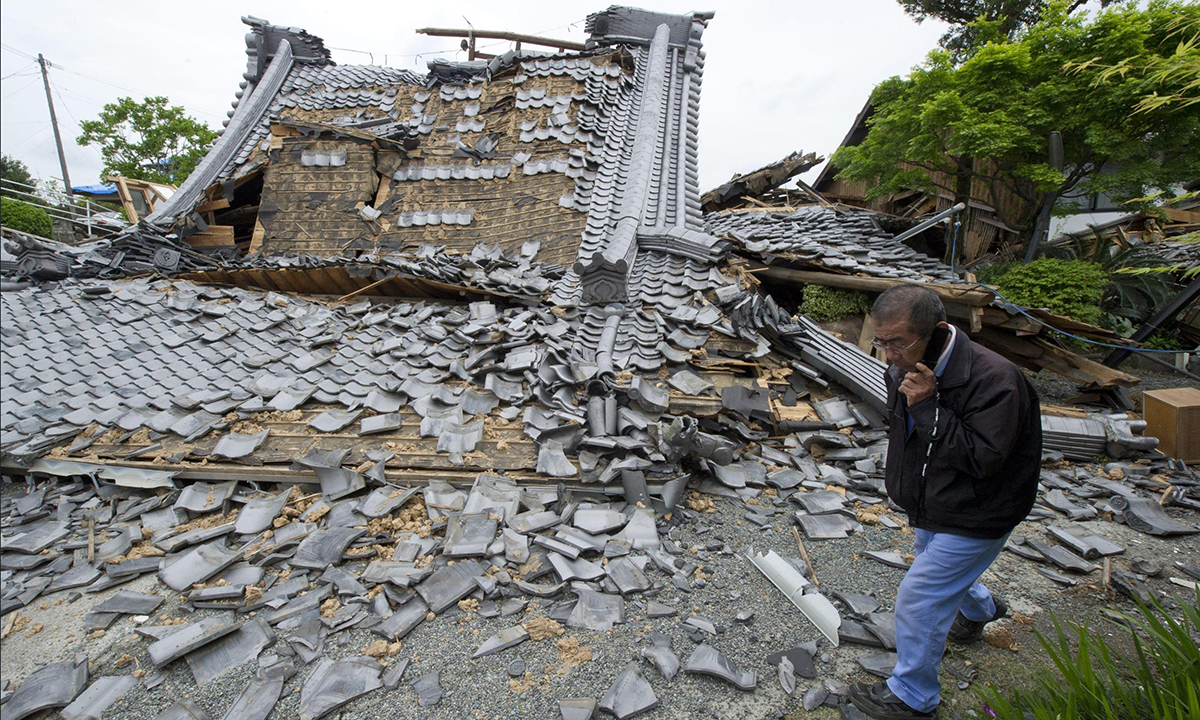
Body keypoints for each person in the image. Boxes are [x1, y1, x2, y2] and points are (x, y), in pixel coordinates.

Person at [848, 285, 1042, 720]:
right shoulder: (904, 368)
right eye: (881, 342)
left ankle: (913, 698)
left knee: (920, 594)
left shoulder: (996, 379)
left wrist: (928, 406)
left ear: (936, 331)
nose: (889, 354)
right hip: (934, 502)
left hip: (981, 508)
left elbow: (983, 459)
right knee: (933, 563)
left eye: (898, 343)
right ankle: (982, 611)